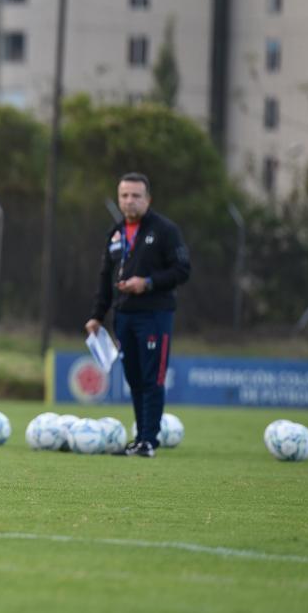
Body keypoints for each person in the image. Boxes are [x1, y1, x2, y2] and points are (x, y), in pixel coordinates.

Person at [85, 172, 190, 458]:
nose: (129, 201)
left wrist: (148, 283)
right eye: (124, 196)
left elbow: (182, 269)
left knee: (151, 378)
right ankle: (139, 439)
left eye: (136, 196)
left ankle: (148, 441)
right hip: (124, 316)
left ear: (148, 199)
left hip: (155, 315)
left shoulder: (165, 230)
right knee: (133, 379)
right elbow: (105, 277)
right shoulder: (116, 233)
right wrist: (97, 315)